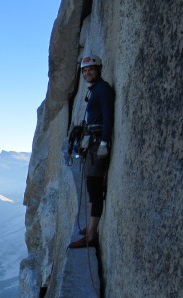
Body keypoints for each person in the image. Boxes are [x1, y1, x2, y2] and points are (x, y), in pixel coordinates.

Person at [69, 55, 115, 248]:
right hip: (92, 144)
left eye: (91, 69)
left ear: (98, 70)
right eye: (85, 70)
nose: (88, 73)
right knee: (91, 187)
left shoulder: (103, 89)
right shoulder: (94, 90)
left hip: (97, 145)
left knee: (95, 189)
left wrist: (104, 142)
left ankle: (90, 236)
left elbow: (108, 116)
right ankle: (89, 228)